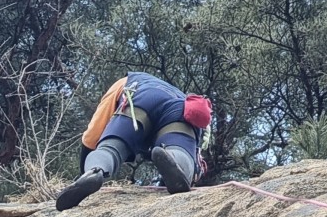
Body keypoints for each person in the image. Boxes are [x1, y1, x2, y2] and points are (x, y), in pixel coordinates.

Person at [55, 71, 213, 210]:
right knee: (179, 152)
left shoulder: (124, 82)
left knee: (111, 149)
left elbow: (92, 136)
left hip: (141, 97)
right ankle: (176, 161)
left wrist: (84, 169)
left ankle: (95, 171)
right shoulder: (181, 96)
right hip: (181, 108)